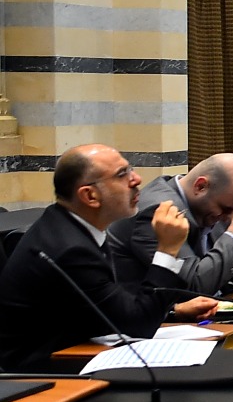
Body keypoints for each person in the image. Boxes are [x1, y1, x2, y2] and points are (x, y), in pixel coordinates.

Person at [0, 145, 216, 370]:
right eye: (122, 175)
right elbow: (137, 326)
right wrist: (167, 250)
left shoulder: (74, 227)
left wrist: (173, 310)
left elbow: (112, 308)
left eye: (130, 170)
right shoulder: (70, 249)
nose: (137, 179)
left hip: (77, 353)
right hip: (42, 375)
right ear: (90, 195)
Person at [109, 152, 233, 296]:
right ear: (200, 186)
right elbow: (193, 288)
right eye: (226, 209)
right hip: (155, 319)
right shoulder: (159, 211)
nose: (229, 218)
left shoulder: (213, 204)